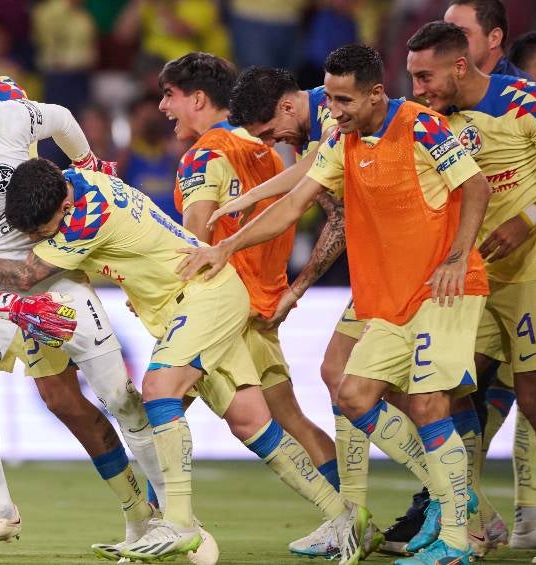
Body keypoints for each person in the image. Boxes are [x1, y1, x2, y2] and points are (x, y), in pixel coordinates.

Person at [0, 159, 365, 563]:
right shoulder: (78, 182)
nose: (42, 239)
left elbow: (24, 276)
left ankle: (179, 523)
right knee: (251, 422)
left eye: (44, 231)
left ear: (63, 207)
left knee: (158, 389)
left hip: (203, 298)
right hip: (203, 293)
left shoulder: (85, 218)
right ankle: (346, 518)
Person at [179, 43, 493, 565]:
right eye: (331, 97)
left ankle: (457, 538)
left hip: (443, 289)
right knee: (352, 395)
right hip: (391, 298)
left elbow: (477, 186)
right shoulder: (341, 138)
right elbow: (296, 201)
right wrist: (229, 243)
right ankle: (449, 496)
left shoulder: (421, 126)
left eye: (344, 99)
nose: (335, 109)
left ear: (375, 93)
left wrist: (458, 257)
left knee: (429, 403)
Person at [0, 19, 176, 563]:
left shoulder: (1, 106)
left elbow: (62, 120)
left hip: (43, 268)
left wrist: (90, 170)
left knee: (77, 399)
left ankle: (157, 514)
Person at [159, 51, 378, 560]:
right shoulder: (267, 154)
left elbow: (198, 232)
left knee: (157, 410)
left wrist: (175, 297)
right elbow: (311, 213)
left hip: (219, 310)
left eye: (169, 95)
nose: (164, 107)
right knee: (291, 420)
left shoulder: (203, 155)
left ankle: (157, 522)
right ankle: (348, 520)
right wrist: (290, 288)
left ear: (195, 98)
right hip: (262, 305)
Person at [407, 21, 536, 563]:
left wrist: (526, 220)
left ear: (459, 66)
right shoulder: (438, 119)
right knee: (449, 387)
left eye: (426, 77)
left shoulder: (523, 100)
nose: (419, 88)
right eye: (414, 78)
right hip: (484, 276)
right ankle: (474, 521)